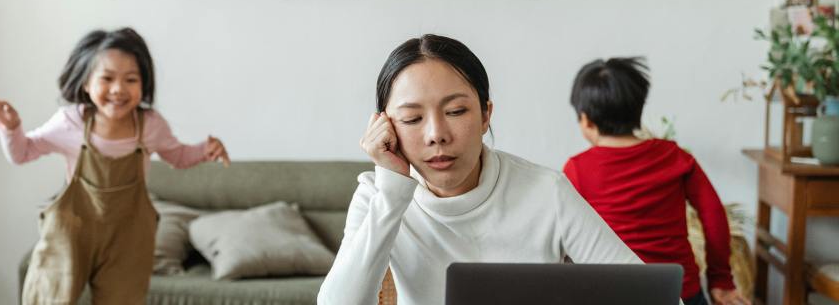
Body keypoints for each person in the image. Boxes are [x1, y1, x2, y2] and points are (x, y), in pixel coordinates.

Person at [317, 34, 642, 305]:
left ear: (486, 115)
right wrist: (392, 191)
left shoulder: (546, 191)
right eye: (413, 119)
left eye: (456, 110)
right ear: (386, 127)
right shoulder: (378, 194)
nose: (436, 134)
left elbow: (646, 293)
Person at [0, 27, 230, 305]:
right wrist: (10, 127)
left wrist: (204, 150)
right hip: (70, 234)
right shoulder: (70, 121)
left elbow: (177, 156)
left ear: (143, 84)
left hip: (127, 238)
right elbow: (22, 153)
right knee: (48, 297)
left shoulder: (150, 126)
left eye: (131, 79)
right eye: (107, 78)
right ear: (86, 83)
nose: (118, 89)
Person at [562, 57, 749, 305]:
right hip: (679, 292)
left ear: (585, 120)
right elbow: (714, 214)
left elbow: (565, 234)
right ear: (638, 110)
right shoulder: (675, 157)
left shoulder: (577, 169)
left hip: (612, 293)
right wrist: (720, 280)